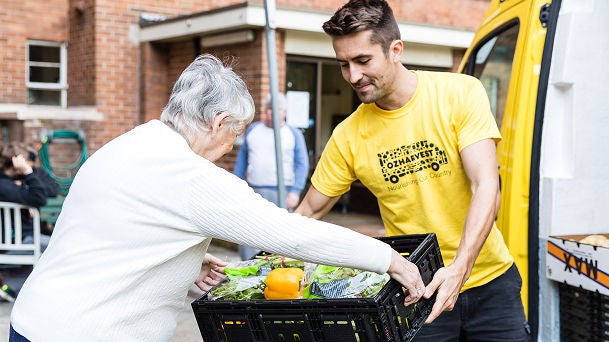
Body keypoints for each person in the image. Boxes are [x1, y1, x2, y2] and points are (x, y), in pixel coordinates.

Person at [9, 54, 426, 342]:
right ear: (218, 122)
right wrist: (388, 259)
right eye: (235, 133)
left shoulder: (131, 143)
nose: (231, 146)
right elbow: (290, 234)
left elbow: (105, 228)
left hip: (34, 320)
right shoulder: (191, 177)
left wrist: (179, 258)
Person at [295, 0, 529, 340]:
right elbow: (307, 212)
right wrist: (254, 263)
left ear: (395, 50)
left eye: (363, 60)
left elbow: (486, 187)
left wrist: (459, 269)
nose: (353, 75)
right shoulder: (348, 135)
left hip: (491, 283)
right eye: (344, 64)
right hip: (416, 291)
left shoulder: (459, 93)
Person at [233, 92, 310, 260]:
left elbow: (302, 164)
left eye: (277, 109)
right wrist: (235, 186)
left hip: (282, 192)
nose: (271, 113)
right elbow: (242, 161)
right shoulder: (253, 130)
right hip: (254, 190)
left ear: (284, 112)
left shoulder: (294, 134)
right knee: (248, 231)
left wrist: (295, 192)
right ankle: (248, 264)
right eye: (268, 109)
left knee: (279, 234)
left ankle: (275, 267)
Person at [0, 143, 48, 244]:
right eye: (24, 162)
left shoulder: (10, 183)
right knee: (62, 248)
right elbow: (40, 197)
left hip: (20, 240)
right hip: (18, 242)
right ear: (16, 163)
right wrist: (27, 171)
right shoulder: (5, 187)